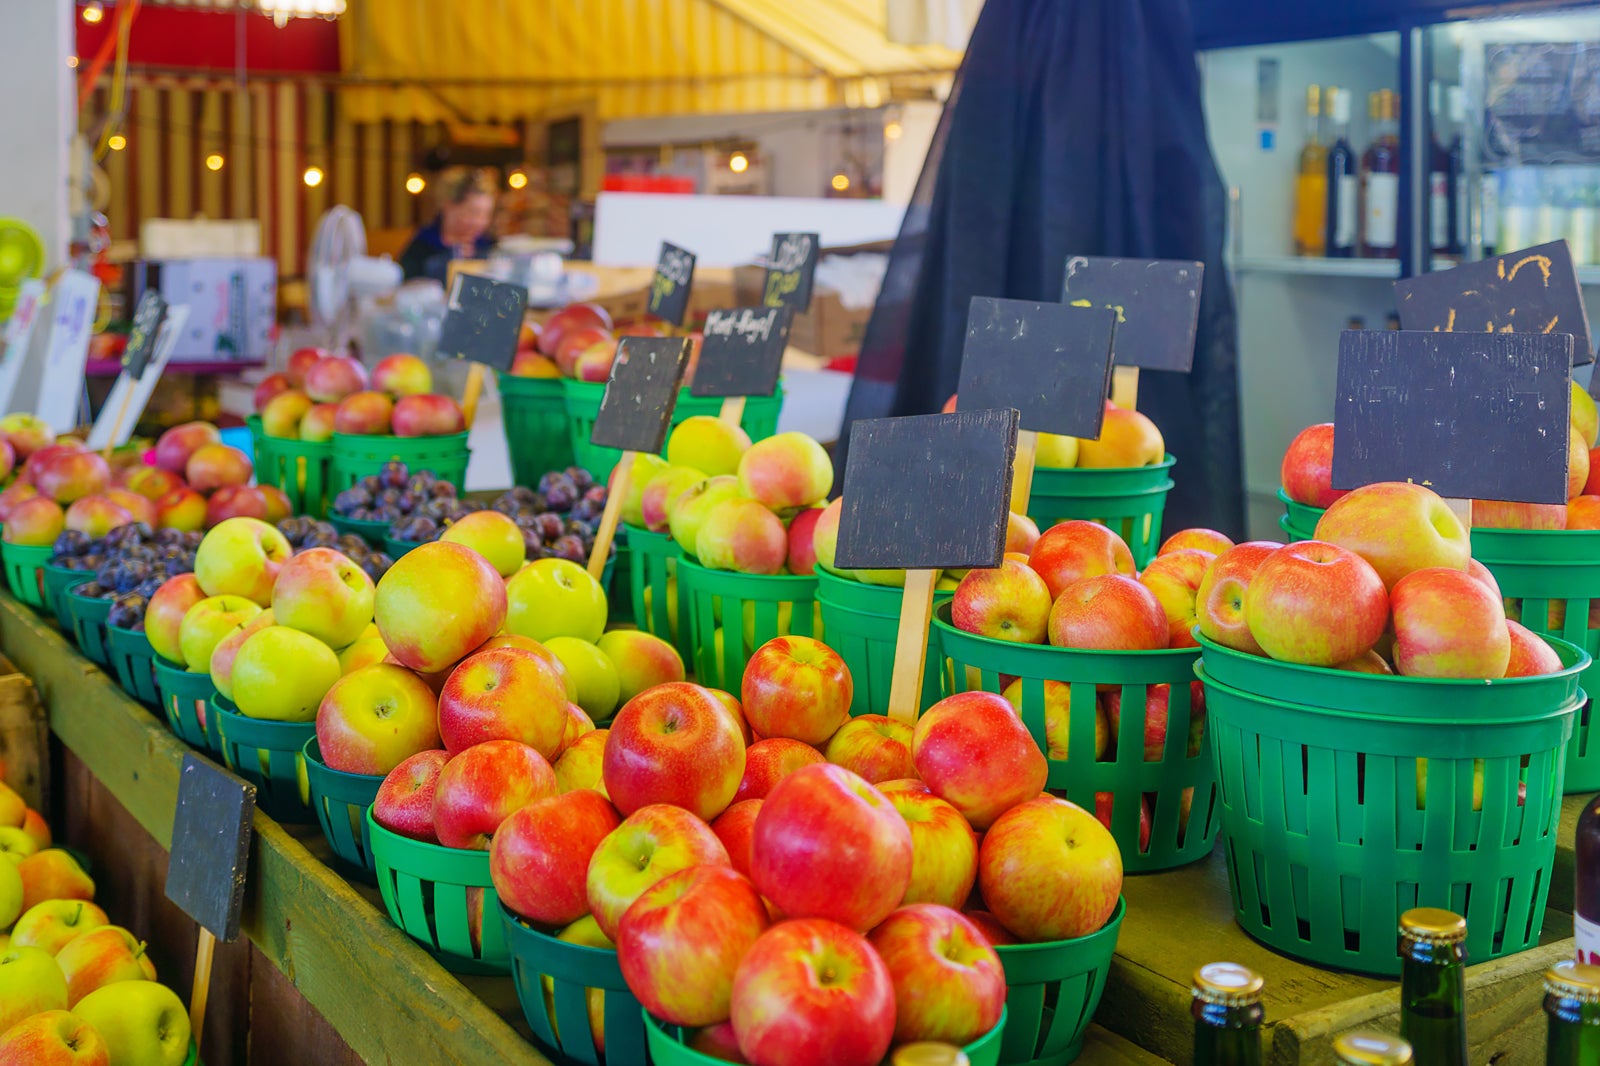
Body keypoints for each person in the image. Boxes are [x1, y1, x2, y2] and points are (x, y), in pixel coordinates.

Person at [398, 168, 497, 284]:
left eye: (486, 215)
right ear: (447, 206)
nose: (480, 222)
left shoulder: (488, 247)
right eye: (472, 212)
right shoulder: (423, 246)